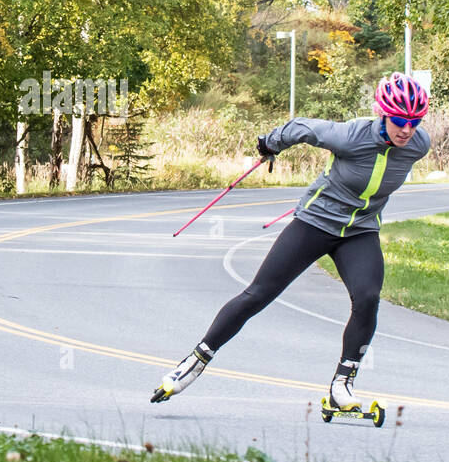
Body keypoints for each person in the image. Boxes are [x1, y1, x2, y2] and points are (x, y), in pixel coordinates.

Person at [151, 72, 432, 411]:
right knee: (259, 294)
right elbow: (301, 127)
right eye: (400, 120)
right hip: (315, 223)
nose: (406, 129)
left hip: (360, 231)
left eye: (414, 122)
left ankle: (342, 385)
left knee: (369, 297)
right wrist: (269, 144)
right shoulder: (349, 136)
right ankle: (193, 363)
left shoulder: (418, 145)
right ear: (383, 113)